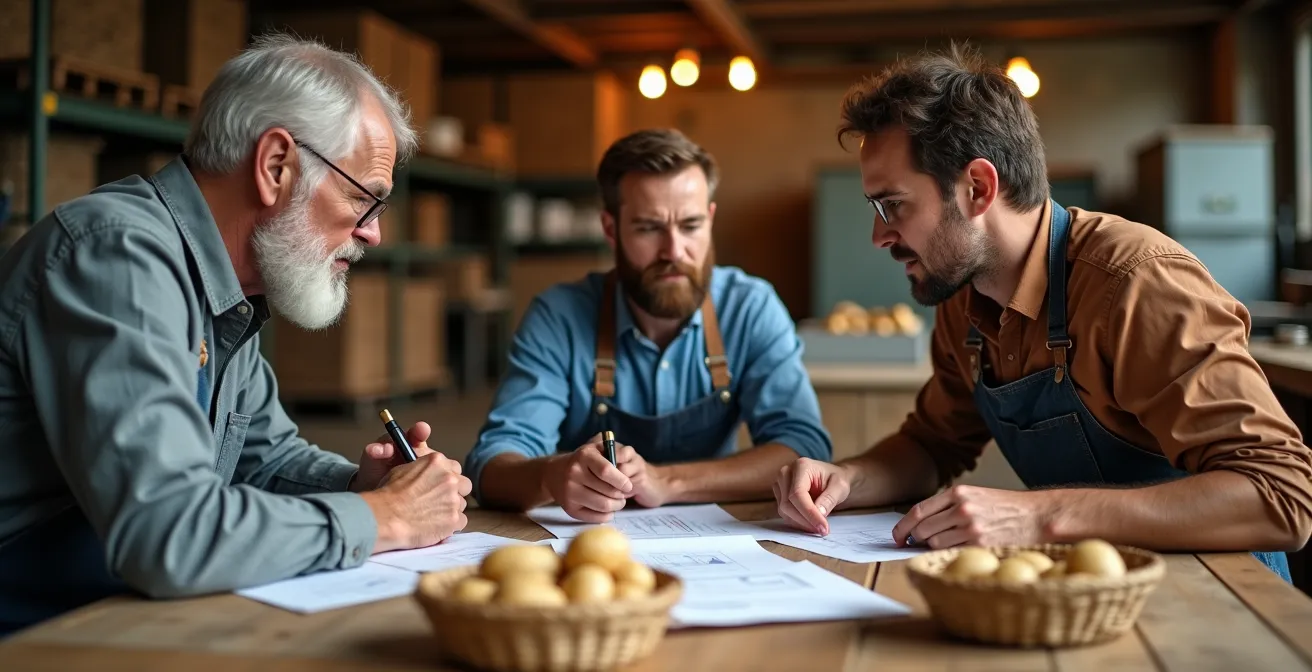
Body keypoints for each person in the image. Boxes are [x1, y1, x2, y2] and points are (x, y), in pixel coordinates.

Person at [773, 45, 1312, 580]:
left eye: (892, 205)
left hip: (1223, 594)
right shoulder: (963, 299)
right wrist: (848, 478)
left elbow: (1282, 496)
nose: (879, 236)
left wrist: (1039, 516)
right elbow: (931, 445)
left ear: (977, 188)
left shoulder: (1137, 283)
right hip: (1086, 595)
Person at [0, 35, 471, 634]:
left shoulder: (230, 287)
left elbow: (262, 460)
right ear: (276, 166)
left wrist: (359, 485)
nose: (372, 234)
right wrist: (386, 517)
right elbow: (167, 533)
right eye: (362, 198)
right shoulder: (117, 256)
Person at [466, 129, 832, 522]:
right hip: (588, 537)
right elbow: (491, 464)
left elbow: (803, 447)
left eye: (690, 226)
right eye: (649, 228)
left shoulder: (750, 308)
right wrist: (549, 476)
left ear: (710, 219)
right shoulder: (559, 317)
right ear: (611, 229)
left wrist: (668, 481)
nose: (674, 251)